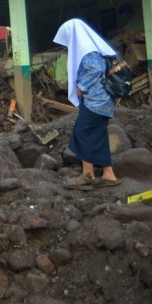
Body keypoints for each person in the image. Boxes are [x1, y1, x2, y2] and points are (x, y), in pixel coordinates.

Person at [53, 19, 122, 189]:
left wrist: (81, 88)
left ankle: (88, 174)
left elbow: (94, 70)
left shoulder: (87, 49)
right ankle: (108, 175)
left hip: (95, 101)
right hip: (105, 101)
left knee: (82, 132)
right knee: (97, 134)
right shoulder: (94, 47)